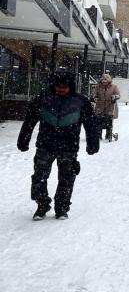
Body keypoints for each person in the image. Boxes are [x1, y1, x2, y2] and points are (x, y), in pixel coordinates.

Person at [17, 71, 100, 220]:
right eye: (58, 86)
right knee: (39, 176)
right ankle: (42, 204)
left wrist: (92, 142)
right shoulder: (42, 99)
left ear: (71, 86)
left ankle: (61, 207)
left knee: (67, 178)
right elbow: (29, 121)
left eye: (65, 86)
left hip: (69, 147)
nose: (61, 89)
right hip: (45, 144)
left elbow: (91, 124)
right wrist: (24, 139)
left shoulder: (81, 102)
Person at [92, 73, 120, 142]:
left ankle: (108, 135)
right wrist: (95, 98)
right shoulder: (98, 87)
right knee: (98, 121)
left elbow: (118, 95)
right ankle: (98, 136)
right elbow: (94, 94)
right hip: (100, 106)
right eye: (103, 80)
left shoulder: (114, 87)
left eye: (106, 80)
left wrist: (114, 97)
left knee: (109, 122)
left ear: (109, 81)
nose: (104, 82)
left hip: (110, 106)